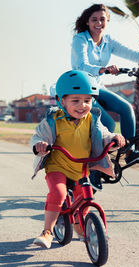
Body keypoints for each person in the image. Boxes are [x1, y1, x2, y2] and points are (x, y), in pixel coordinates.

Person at [71, 4, 139, 189]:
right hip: (81, 89)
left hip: (98, 87)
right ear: (87, 22)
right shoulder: (80, 39)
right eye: (94, 19)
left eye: (102, 19)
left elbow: (132, 53)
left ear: (107, 21)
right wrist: (103, 69)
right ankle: (95, 172)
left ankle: (130, 151)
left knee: (127, 109)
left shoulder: (108, 41)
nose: (99, 23)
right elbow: (81, 65)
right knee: (107, 124)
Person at [30, 70, 126, 249]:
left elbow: (103, 135)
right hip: (57, 166)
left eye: (87, 101)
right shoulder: (54, 120)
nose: (82, 105)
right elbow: (37, 136)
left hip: (80, 169)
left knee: (84, 197)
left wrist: (114, 139)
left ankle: (81, 226)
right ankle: (47, 232)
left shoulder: (91, 119)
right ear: (62, 101)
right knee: (58, 193)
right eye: (75, 101)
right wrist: (39, 145)